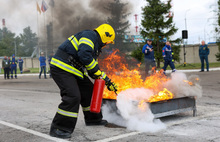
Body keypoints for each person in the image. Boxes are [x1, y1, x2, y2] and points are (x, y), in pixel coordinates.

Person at [49, 24, 118, 139]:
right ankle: (59, 128)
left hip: (75, 70)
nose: (106, 45)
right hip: (62, 67)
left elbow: (91, 69)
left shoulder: (95, 46)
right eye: (108, 42)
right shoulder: (89, 35)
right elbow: (84, 55)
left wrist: (106, 80)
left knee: (89, 92)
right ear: (105, 37)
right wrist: (98, 73)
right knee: (73, 96)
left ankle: (93, 119)